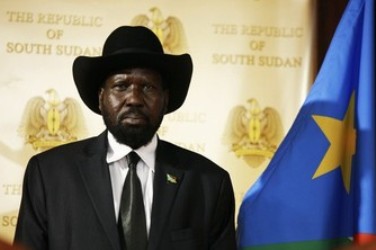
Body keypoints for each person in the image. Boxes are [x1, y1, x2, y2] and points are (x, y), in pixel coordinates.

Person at [14, 26, 237, 250]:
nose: (134, 99)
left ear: (165, 99)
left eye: (148, 87)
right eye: (121, 86)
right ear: (101, 97)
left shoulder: (209, 183)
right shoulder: (49, 174)